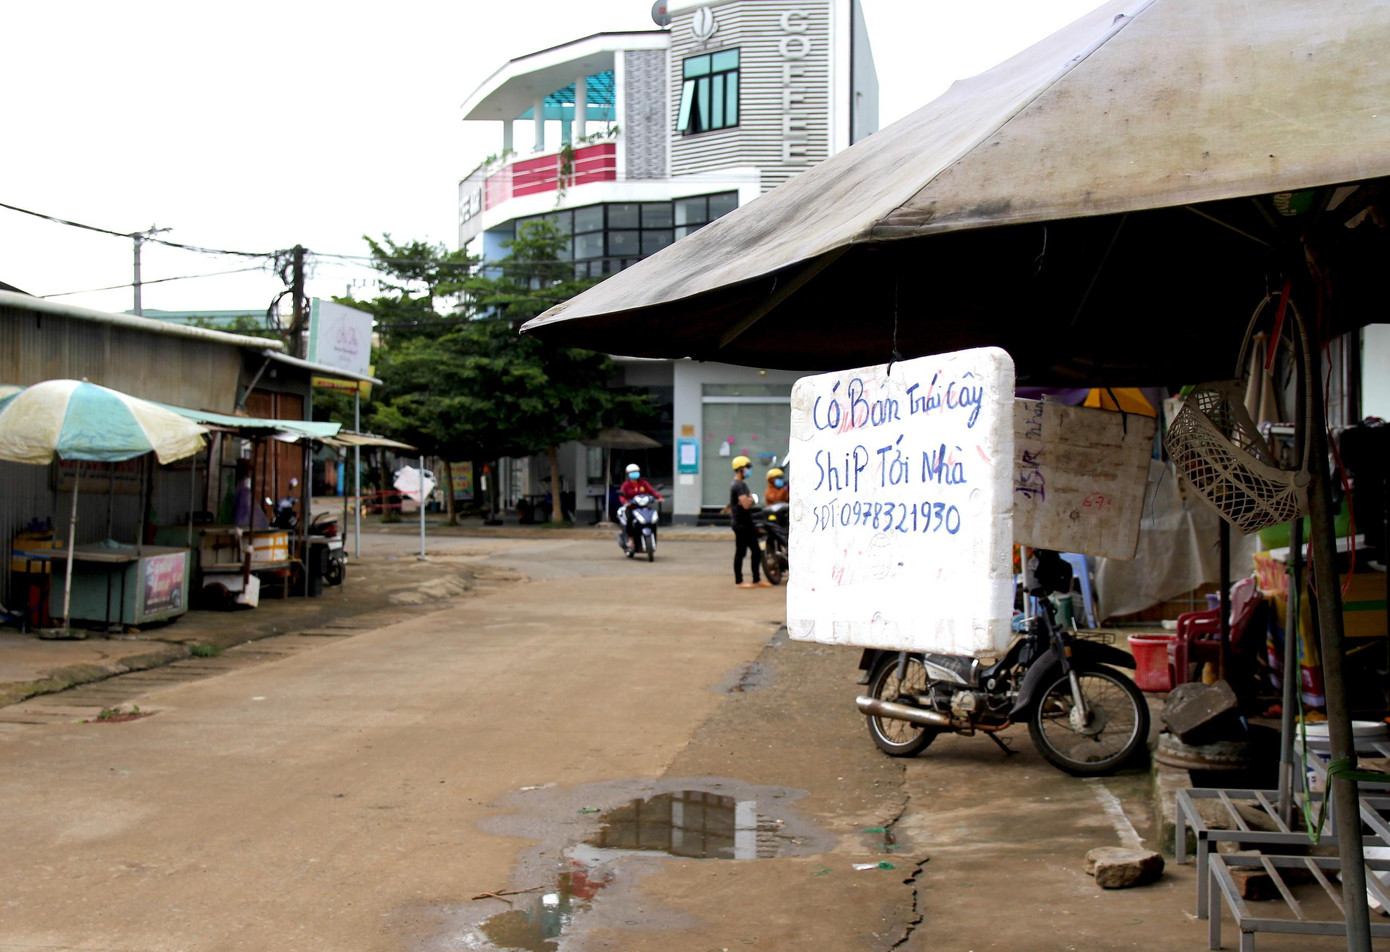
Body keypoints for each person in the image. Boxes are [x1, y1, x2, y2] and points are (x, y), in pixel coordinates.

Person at [729, 455, 768, 588]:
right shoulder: (737, 486)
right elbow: (747, 503)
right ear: (740, 469)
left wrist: (750, 499)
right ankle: (739, 581)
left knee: (756, 551)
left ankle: (756, 579)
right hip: (740, 523)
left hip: (747, 522)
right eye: (747, 468)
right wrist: (750, 500)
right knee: (741, 552)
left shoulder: (742, 485)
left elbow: (749, 500)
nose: (748, 470)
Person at [618, 463, 663, 553]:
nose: (634, 474)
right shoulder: (626, 485)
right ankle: (630, 540)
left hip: (643, 508)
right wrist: (625, 501)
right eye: (632, 472)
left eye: (636, 472)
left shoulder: (643, 483)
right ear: (628, 474)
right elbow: (622, 495)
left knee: (651, 519)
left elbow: (651, 491)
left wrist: (659, 497)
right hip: (631, 508)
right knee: (629, 521)